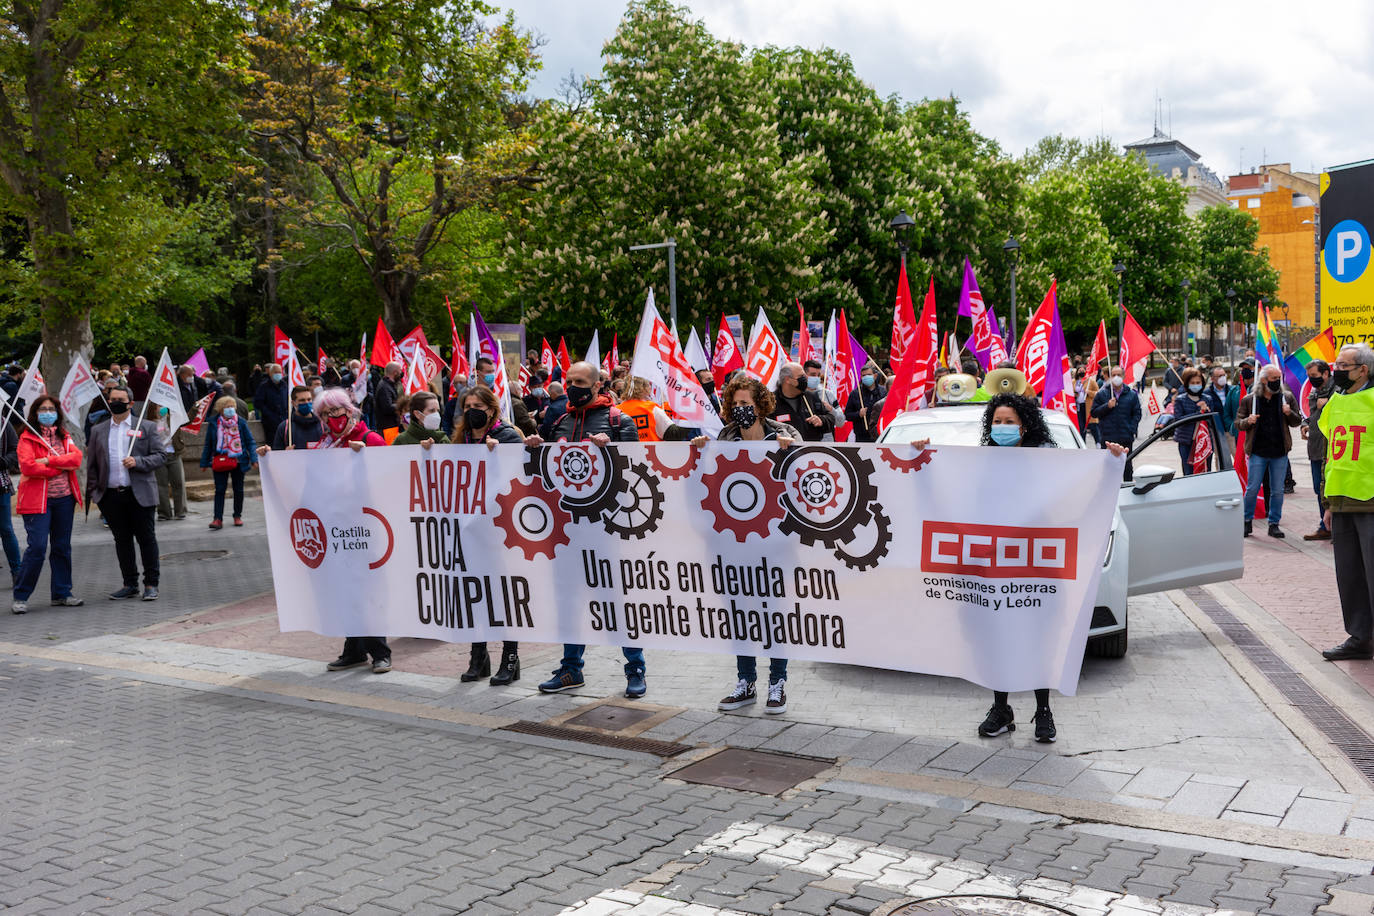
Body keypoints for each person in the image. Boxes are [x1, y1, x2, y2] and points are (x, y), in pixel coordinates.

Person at [974, 393, 1129, 742]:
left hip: (1039, 565)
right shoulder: (979, 462)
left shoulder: (1048, 462)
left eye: (1009, 421)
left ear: (1024, 425)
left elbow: (1081, 490)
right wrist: (918, 455)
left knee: (1039, 638)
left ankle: (1043, 711)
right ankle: (1001, 708)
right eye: (996, 422)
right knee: (1000, 638)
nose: (1002, 427)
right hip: (997, 564)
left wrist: (1111, 461)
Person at [527, 361, 644, 696]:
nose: (572, 387)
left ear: (597, 385)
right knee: (569, 600)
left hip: (608, 531)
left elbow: (640, 470)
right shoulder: (560, 420)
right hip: (567, 529)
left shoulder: (619, 421)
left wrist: (614, 450)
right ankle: (570, 670)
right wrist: (535, 449)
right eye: (569, 381)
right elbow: (546, 474)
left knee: (616, 602)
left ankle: (636, 669)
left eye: (580, 381)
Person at [691, 374, 799, 714]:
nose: (740, 410)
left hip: (774, 541)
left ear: (761, 404)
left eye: (745, 404)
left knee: (773, 613)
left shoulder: (784, 435)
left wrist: (790, 453)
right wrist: (698, 454)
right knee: (739, 612)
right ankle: (746, 681)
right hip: (733, 541)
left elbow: (804, 476)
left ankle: (778, 683)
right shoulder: (724, 437)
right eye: (734, 405)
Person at [308, 387, 393, 673]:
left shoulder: (370, 440)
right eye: (325, 414)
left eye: (336, 411)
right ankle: (354, 649)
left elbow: (387, 480)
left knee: (365, 589)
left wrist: (365, 459)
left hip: (366, 527)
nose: (332, 417)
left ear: (349, 409)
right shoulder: (324, 444)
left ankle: (380, 651)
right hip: (335, 527)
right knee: (345, 590)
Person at [449, 387, 525, 684]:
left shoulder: (507, 436)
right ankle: (478, 660)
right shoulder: (460, 438)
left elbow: (521, 474)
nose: (471, 410)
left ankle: (510, 660)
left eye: (478, 405)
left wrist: (500, 455)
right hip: (471, 528)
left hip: (501, 528)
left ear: (492, 409)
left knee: (503, 597)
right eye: (467, 406)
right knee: (474, 595)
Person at [1319, 344, 1374, 661]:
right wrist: (1327, 503)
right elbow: (1333, 454)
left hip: (1370, 498)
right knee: (1349, 573)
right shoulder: (1336, 402)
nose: (1336, 370)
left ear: (1362, 370)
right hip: (1341, 500)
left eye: (1342, 365)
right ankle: (1359, 637)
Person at [86, 385, 166, 601]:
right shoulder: (98, 430)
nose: (115, 402)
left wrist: (138, 461)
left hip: (139, 494)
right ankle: (129, 583)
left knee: (146, 539)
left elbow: (160, 456)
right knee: (122, 540)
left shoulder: (146, 427)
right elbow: (91, 464)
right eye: (112, 399)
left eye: (121, 399)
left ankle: (151, 583)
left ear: (131, 403)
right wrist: (96, 493)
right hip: (111, 496)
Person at [11, 396, 84, 613]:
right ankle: (21, 596)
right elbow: (28, 467)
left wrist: (49, 461)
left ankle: (62, 593)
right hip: (37, 502)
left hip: (64, 500)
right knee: (38, 548)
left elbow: (77, 459)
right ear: (35, 412)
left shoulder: (65, 435)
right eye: (43, 408)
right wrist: (59, 468)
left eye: (51, 408)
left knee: (62, 547)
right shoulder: (27, 438)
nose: (47, 412)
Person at [1235, 364, 1301, 538]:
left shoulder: (1285, 398)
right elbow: (1238, 423)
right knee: (1252, 488)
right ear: (1263, 380)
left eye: (1279, 378)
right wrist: (1247, 421)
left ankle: (1274, 523)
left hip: (1279, 451)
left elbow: (1297, 421)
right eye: (1273, 379)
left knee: (1277, 490)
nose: (1277, 382)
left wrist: (1288, 413)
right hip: (1258, 451)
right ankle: (1246, 521)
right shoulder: (1250, 400)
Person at [200, 396, 257, 529]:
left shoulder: (241, 422)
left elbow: (250, 441)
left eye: (232, 407)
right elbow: (208, 444)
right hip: (220, 460)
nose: (230, 409)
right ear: (220, 409)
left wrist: (254, 458)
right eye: (227, 407)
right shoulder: (214, 423)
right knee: (220, 490)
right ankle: (217, 519)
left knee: (238, 489)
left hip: (239, 460)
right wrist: (204, 462)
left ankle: (237, 515)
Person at [1302, 360, 1336, 541]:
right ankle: (1325, 526)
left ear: (1325, 374)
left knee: (1332, 490)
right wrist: (1305, 423)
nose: (1311, 380)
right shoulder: (1315, 391)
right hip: (1315, 447)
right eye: (1309, 377)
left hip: (1331, 449)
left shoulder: (1338, 390)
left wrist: (1330, 403)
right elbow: (1312, 414)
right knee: (1319, 489)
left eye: (1314, 376)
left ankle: (1337, 528)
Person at [1091, 369, 1141, 479]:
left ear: (1123, 376)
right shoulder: (1102, 393)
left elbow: (1137, 413)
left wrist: (1131, 429)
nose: (1116, 377)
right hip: (1108, 438)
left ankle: (1127, 490)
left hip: (1125, 437)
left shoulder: (1131, 394)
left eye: (1118, 375)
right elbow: (1094, 413)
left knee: (1127, 467)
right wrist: (1107, 406)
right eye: (1113, 375)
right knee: (1108, 469)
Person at [773, 362, 833, 442]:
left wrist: (821, 420)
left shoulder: (811, 397)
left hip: (811, 451)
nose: (806, 379)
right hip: (784, 452)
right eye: (801, 376)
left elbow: (831, 418)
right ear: (788, 380)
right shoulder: (771, 402)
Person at [1170, 368, 1211, 475]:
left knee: (1205, 470)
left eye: (1198, 382)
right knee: (1188, 471)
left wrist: (1206, 411)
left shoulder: (1207, 399)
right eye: (1192, 383)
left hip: (1203, 441)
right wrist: (1199, 412)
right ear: (1187, 384)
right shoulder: (1180, 399)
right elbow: (1178, 419)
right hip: (1186, 441)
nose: (1195, 385)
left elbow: (1212, 420)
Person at [153, 405, 188, 521]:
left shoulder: (174, 419)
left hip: (174, 455)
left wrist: (194, 408)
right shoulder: (149, 423)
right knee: (161, 485)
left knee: (178, 483)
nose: (162, 408)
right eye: (159, 406)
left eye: (164, 406)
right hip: (159, 456)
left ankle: (180, 511)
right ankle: (164, 513)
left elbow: (188, 419)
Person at [268, 386, 323, 450]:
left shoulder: (322, 425)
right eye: (302, 400)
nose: (307, 403)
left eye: (309, 399)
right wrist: (285, 453)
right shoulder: (285, 427)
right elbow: (276, 453)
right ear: (293, 403)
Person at [0, 419, 20, 584]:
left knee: (6, 529)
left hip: (1, 487)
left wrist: (4, 462)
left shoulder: (3, 423)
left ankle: (17, 572)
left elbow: (15, 449)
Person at [844, 364, 887, 442]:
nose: (866, 377)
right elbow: (847, 415)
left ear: (875, 376)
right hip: (862, 435)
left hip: (880, 434)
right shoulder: (856, 393)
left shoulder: (883, 392)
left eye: (869, 374)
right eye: (864, 375)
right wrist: (858, 414)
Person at [1204, 366, 1239, 456]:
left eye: (1224, 375)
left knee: (1236, 454)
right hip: (1217, 429)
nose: (1223, 378)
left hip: (1231, 427)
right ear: (1212, 378)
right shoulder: (1207, 393)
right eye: (1219, 376)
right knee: (1221, 457)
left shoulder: (1232, 390)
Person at [616, 377, 662, 442]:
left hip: (625, 450)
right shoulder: (652, 407)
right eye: (648, 385)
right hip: (653, 450)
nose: (650, 387)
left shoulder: (616, 410)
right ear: (643, 388)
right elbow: (667, 432)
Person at [254, 363, 289, 447]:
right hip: (270, 423)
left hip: (284, 420)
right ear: (270, 373)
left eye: (280, 372)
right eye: (275, 372)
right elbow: (258, 403)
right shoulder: (264, 386)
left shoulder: (285, 385)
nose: (278, 374)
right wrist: (270, 415)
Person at [373, 361, 403, 442]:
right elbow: (387, 407)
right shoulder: (384, 387)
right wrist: (402, 404)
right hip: (387, 428)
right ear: (395, 373)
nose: (401, 373)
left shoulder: (388, 385)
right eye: (400, 371)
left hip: (391, 427)